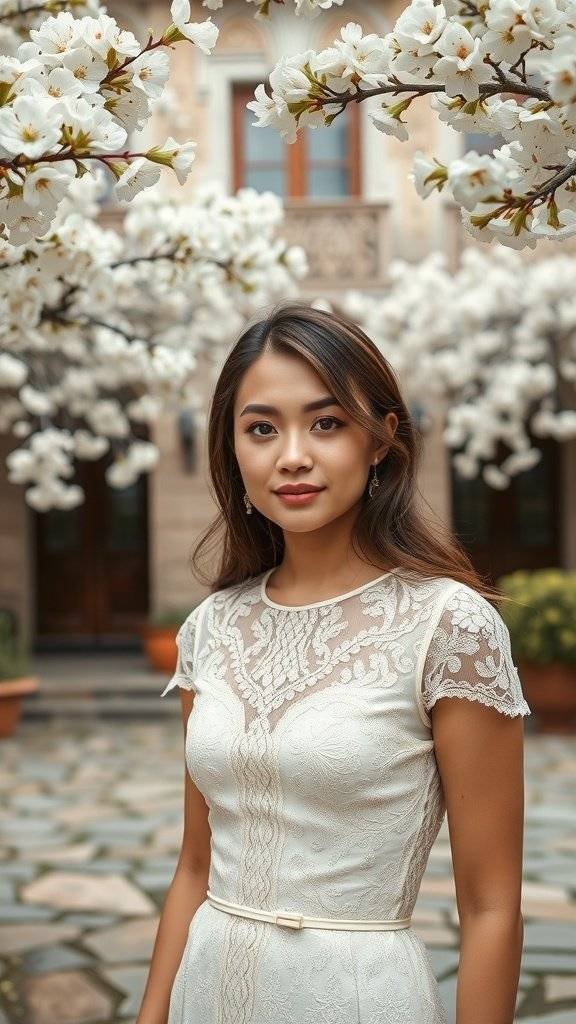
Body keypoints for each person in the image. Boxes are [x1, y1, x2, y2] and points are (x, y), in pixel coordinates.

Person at [136, 302, 531, 1024]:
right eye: (261, 428)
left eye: (326, 423)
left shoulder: (448, 626)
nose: (291, 454)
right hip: (206, 990)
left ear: (381, 438)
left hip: (354, 997)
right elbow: (195, 865)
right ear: (232, 449)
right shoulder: (210, 629)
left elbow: (491, 905)